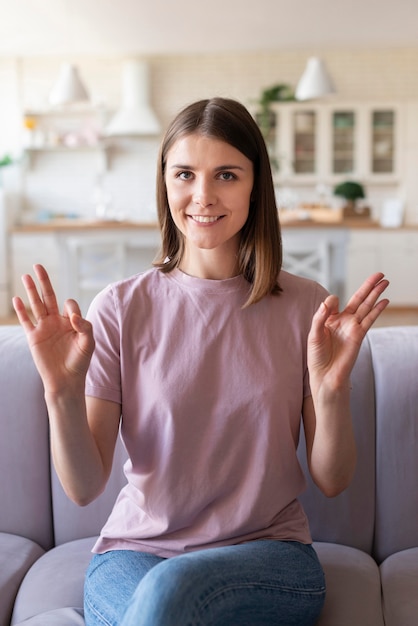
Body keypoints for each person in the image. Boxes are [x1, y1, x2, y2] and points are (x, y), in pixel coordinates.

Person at [13, 97, 389, 626]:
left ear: (256, 185)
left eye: (227, 175)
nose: (203, 196)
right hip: (133, 557)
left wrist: (330, 393)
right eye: (184, 173)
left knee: (172, 591)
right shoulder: (120, 308)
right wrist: (60, 393)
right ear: (165, 182)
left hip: (270, 555)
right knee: (161, 598)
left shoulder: (306, 306)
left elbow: (333, 478)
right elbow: (83, 485)